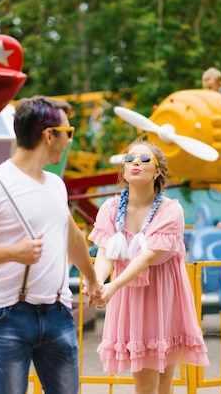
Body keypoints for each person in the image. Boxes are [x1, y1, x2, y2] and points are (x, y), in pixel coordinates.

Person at [0, 95, 101, 394]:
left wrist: (91, 279)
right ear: (49, 135)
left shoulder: (55, 184)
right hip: (8, 315)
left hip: (57, 312)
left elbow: (71, 236)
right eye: (68, 133)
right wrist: (12, 253)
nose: (69, 141)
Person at [87, 140, 210, 394]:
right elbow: (104, 251)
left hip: (164, 298)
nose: (135, 163)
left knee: (162, 384)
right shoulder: (110, 209)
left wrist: (113, 286)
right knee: (146, 384)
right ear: (123, 170)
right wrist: (99, 283)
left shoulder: (170, 211)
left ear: (157, 172)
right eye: (130, 159)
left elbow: (147, 256)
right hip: (132, 299)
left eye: (145, 160)